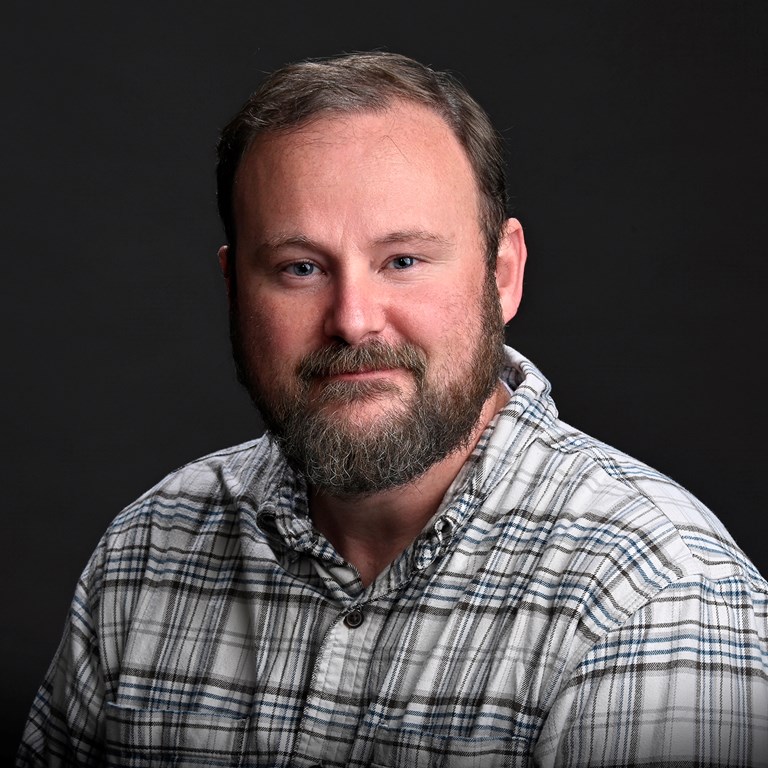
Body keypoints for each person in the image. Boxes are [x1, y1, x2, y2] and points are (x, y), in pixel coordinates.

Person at [17, 51, 768, 768]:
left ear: (501, 276)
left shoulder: (658, 595)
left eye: (402, 261)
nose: (352, 319)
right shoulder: (144, 556)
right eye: (299, 268)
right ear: (234, 293)